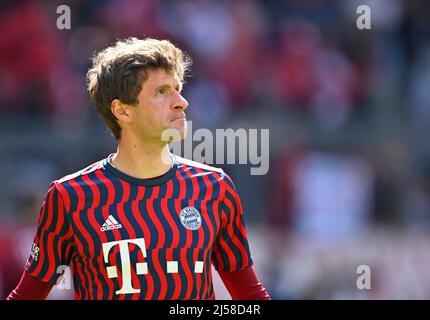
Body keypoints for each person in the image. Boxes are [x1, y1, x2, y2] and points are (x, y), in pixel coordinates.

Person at [7, 37, 270, 300]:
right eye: (161, 91)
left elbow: (250, 297)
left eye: (177, 88)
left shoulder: (215, 188)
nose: (181, 102)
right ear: (122, 111)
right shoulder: (69, 197)